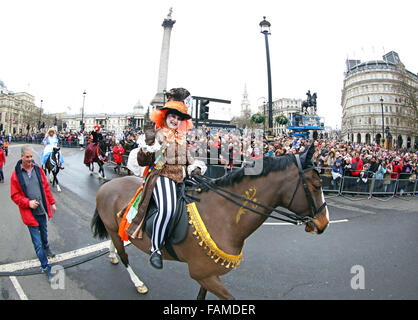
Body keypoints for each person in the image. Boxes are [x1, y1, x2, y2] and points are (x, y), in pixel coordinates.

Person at [127, 88, 206, 269]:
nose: (175, 120)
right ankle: (155, 248)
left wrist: (195, 167)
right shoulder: (158, 134)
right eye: (172, 115)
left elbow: (188, 160)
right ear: (165, 116)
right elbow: (142, 160)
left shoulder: (181, 137)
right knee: (168, 209)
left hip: (181, 178)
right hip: (162, 176)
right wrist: (148, 146)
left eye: (178, 118)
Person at [10, 145, 57, 282]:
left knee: (44, 233)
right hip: (30, 215)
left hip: (41, 210)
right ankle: (45, 267)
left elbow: (46, 188)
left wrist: (52, 203)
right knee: (37, 243)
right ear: (22, 157)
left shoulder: (38, 169)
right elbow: (14, 195)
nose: (30, 159)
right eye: (27, 157)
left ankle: (47, 248)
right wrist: (27, 203)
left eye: (31, 157)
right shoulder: (16, 175)